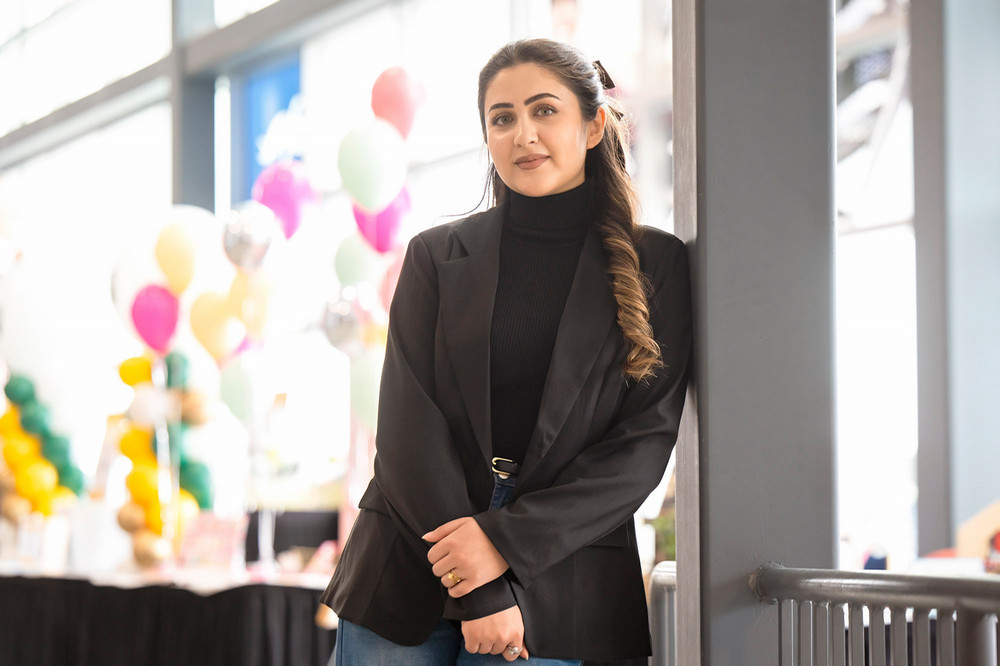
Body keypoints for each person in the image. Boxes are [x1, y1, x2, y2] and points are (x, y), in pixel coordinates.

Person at [321, 37, 692, 665]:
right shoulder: (435, 256)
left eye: (545, 110)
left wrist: (503, 544)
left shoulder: (657, 264)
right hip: (412, 549)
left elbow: (642, 445)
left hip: (562, 565)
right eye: (503, 118)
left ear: (595, 123)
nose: (524, 134)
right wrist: (481, 583)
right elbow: (409, 429)